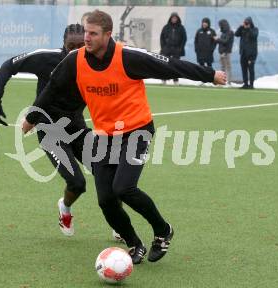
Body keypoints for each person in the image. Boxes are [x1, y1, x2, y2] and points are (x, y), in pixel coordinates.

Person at [23, 10, 226, 264]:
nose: (87, 37)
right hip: (105, 136)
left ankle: (163, 231)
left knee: (124, 188)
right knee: (106, 200)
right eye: (86, 31)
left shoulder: (127, 57)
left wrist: (209, 75)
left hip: (136, 131)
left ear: (108, 35)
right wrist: (32, 118)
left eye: (93, 33)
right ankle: (134, 243)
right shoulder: (76, 60)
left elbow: (169, 65)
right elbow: (52, 87)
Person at [0, 24, 89, 237]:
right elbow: (9, 65)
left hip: (77, 127)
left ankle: (119, 222)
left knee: (108, 170)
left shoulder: (93, 62)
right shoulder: (46, 59)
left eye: (81, 45)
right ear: (63, 44)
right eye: (71, 46)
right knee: (77, 183)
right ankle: (65, 208)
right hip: (50, 132)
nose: (76, 50)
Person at [160, 12, 187, 85]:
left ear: (178, 19)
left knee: (176, 65)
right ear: (170, 18)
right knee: (165, 64)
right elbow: (162, 38)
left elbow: (184, 39)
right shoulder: (166, 27)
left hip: (176, 50)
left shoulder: (181, 28)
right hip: (167, 49)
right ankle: (164, 79)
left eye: (175, 18)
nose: (174, 19)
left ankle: (175, 80)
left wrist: (180, 48)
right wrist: (163, 48)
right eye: (173, 18)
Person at [235, 17, 259, 89]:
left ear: (250, 23)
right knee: (244, 69)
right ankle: (245, 83)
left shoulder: (255, 29)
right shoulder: (242, 29)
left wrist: (248, 28)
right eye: (245, 22)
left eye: (247, 23)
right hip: (243, 53)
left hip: (251, 54)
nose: (246, 24)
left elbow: (254, 36)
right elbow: (236, 34)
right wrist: (241, 27)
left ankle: (251, 84)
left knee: (251, 70)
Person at [214, 19, 234, 84]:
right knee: (222, 68)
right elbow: (222, 42)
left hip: (226, 52)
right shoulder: (223, 33)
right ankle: (222, 81)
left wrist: (218, 39)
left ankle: (228, 82)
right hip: (221, 52)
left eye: (220, 25)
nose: (220, 27)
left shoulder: (230, 32)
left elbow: (226, 41)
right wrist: (216, 40)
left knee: (228, 67)